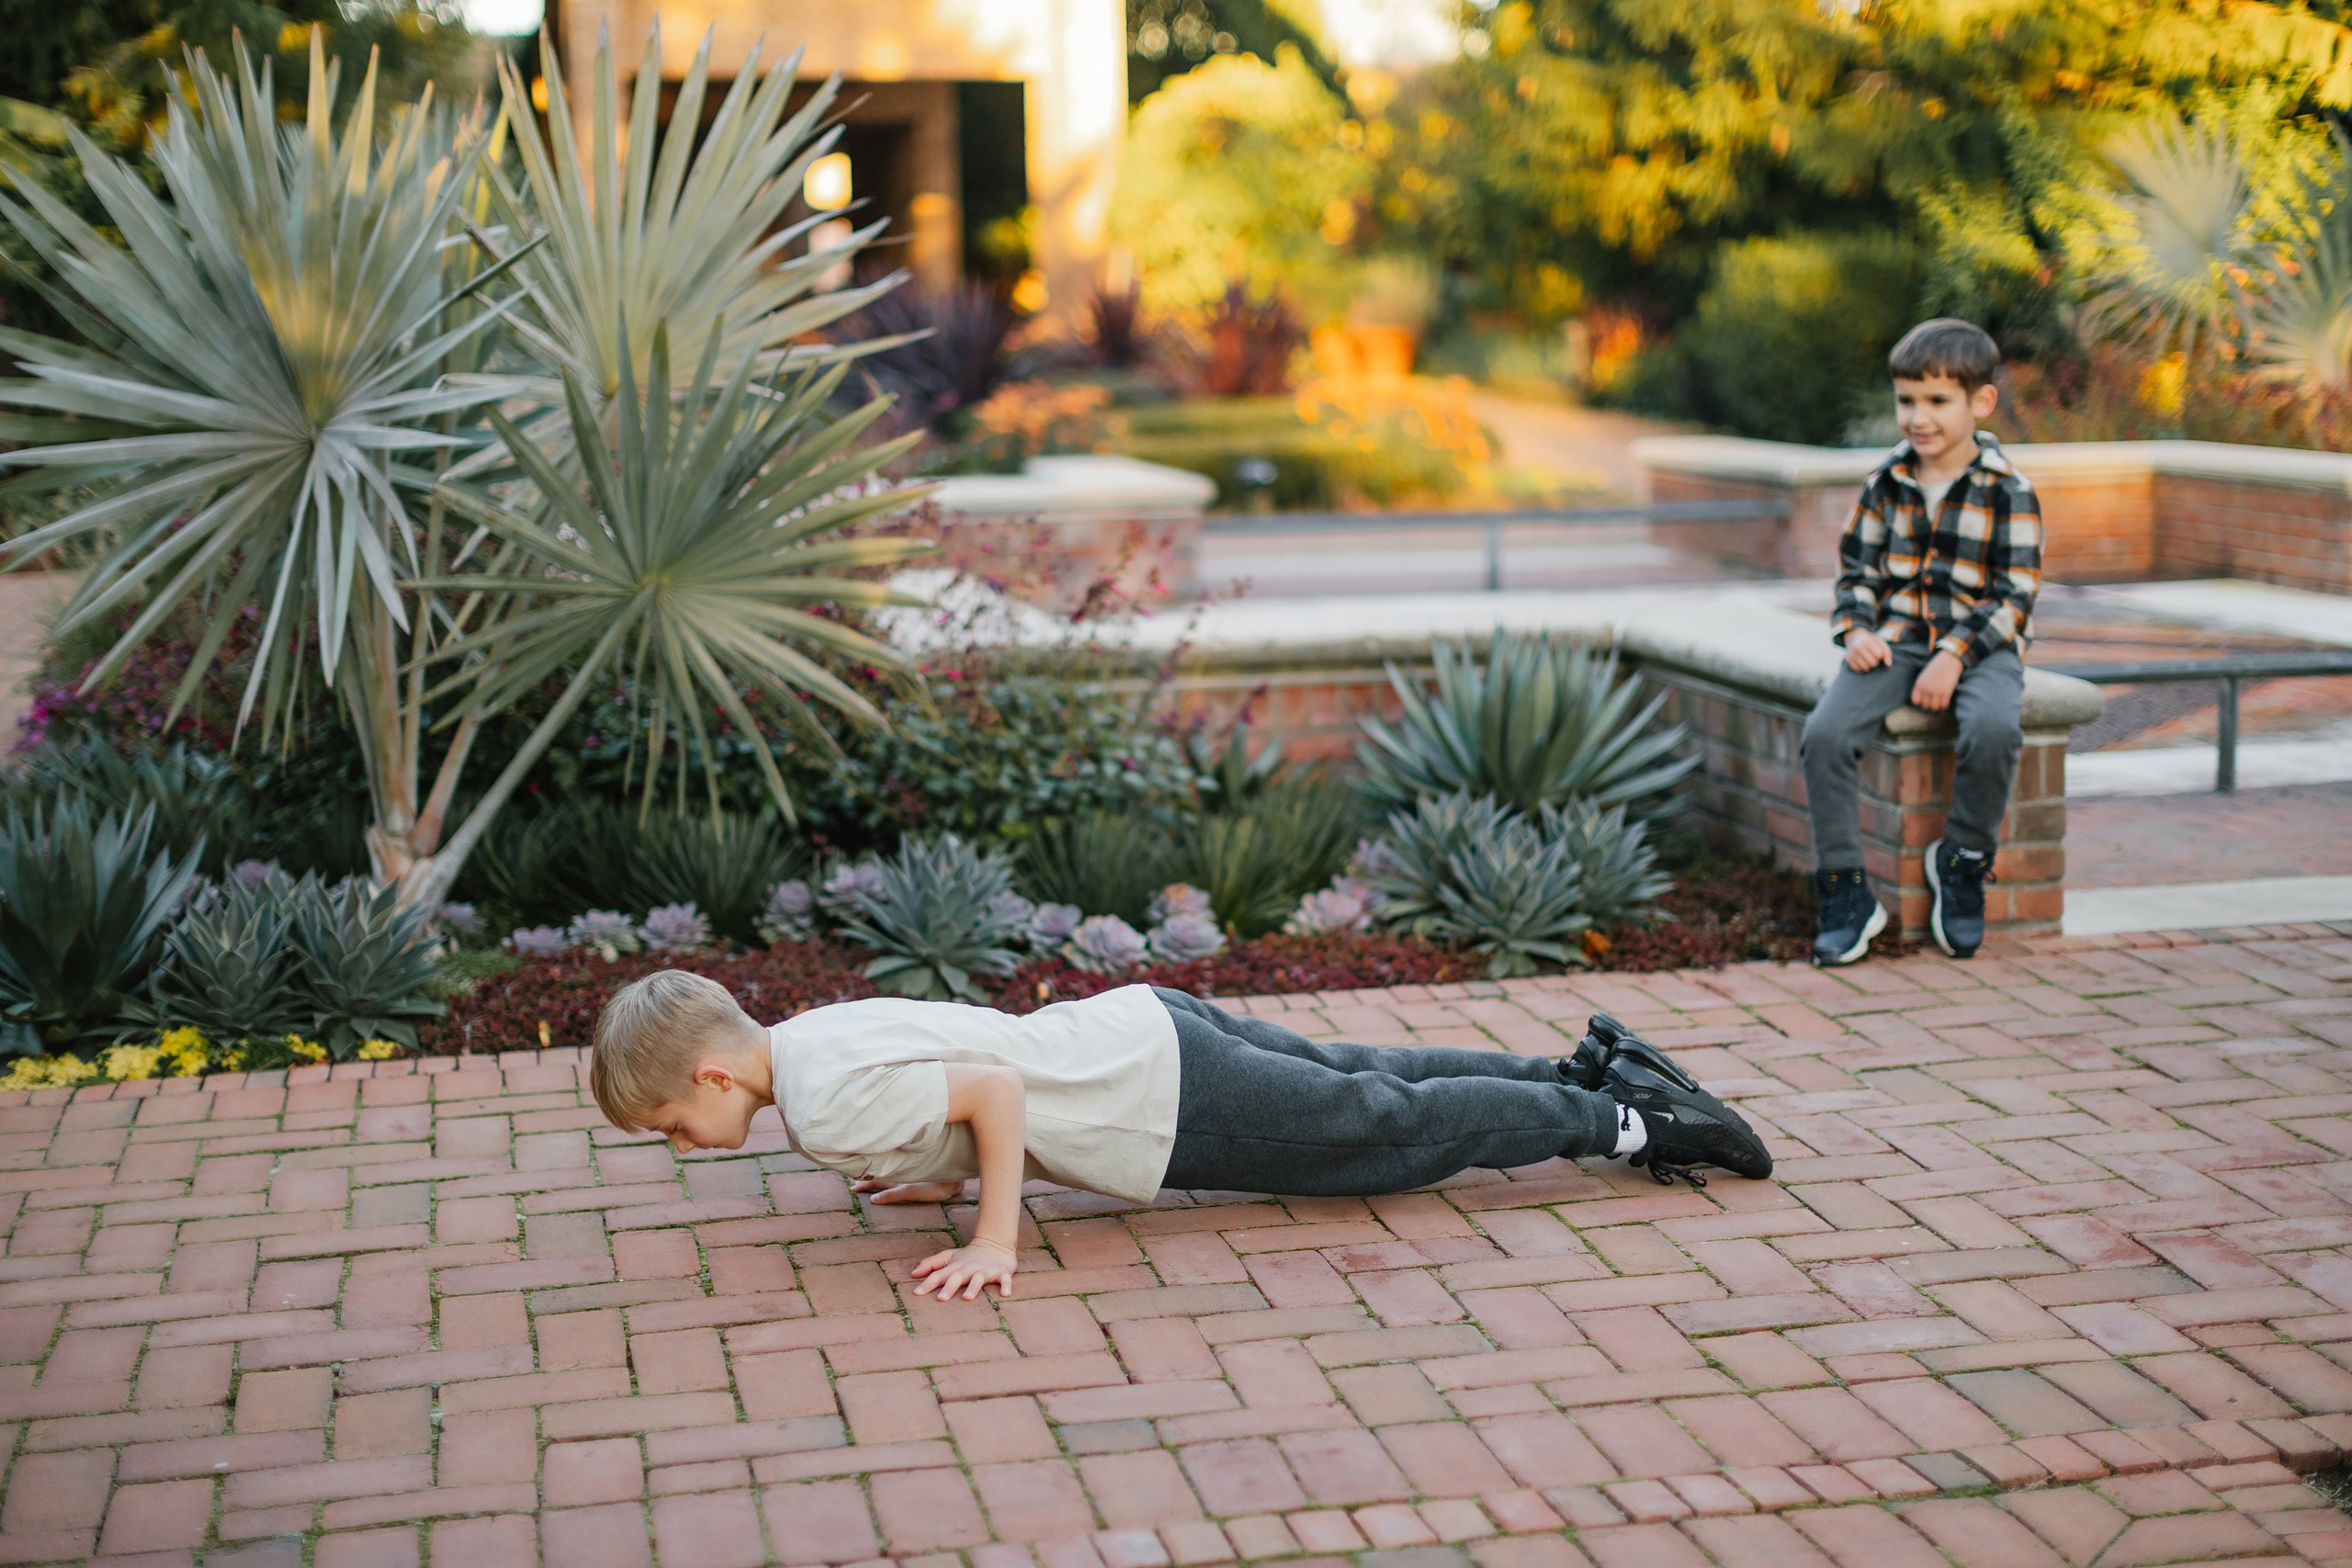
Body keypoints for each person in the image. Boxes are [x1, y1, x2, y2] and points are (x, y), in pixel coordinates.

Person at [590, 974, 1774, 1301]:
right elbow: (946, 1078)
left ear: (707, 1072)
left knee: (1382, 1134)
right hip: (1140, 1021)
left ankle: (1628, 1121)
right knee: (1368, 1074)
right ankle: (1584, 1070)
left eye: (668, 1125)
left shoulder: (813, 1109)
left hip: (1153, 1102)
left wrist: (997, 1237)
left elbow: (991, 1098)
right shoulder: (805, 1039)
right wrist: (926, 1175)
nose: (683, 1143)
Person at [1804, 318, 2041, 966]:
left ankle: (1962, 860)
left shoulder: (2009, 491)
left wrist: (1954, 654)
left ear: (1980, 403)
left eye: (1938, 401)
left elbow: (2014, 594)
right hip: (1897, 639)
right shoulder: (1885, 484)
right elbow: (1856, 571)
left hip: (1980, 647)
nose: (1919, 417)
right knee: (1825, 734)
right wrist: (1854, 630)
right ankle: (1845, 890)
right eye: (1907, 400)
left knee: (1993, 729)